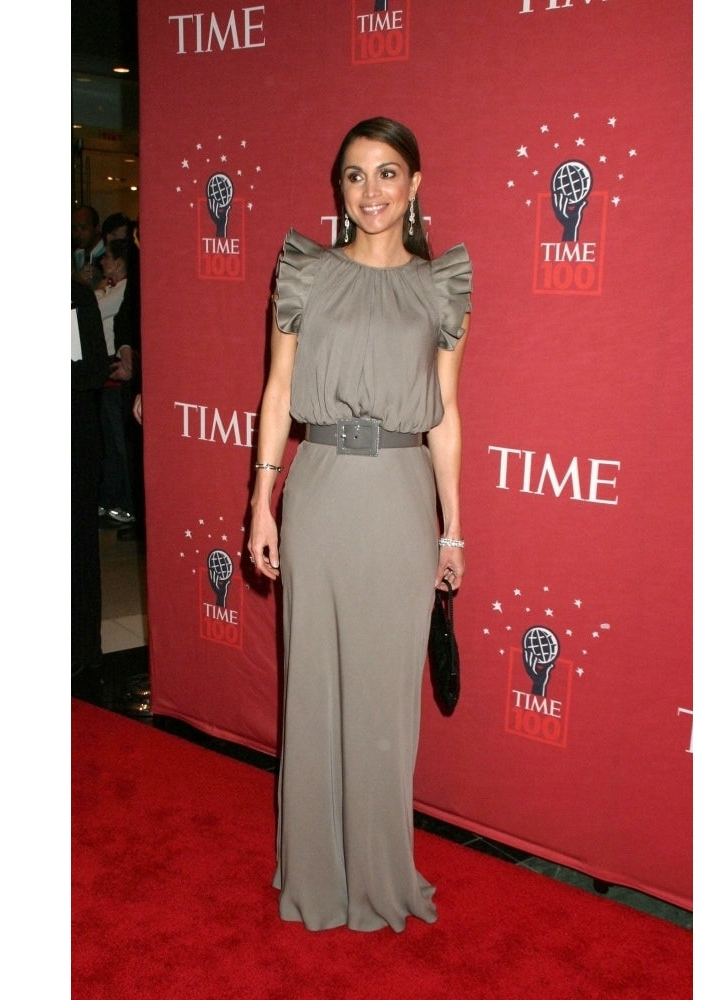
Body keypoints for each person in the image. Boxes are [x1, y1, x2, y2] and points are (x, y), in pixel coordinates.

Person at [246, 117, 472, 933]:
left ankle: (379, 871)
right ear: (337, 188)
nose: (369, 191)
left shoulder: (440, 284)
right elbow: (279, 392)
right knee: (312, 685)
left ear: (415, 185)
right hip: (324, 493)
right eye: (353, 175)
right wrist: (261, 502)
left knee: (383, 701)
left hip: (403, 500)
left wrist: (453, 528)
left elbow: (444, 415)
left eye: (386, 174)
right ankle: (313, 868)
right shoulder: (306, 272)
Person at [72, 273, 111, 676]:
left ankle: (82, 651)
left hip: (73, 442)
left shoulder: (76, 297)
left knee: (78, 545)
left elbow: (93, 368)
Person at [96, 237, 137, 526]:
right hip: (111, 372)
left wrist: (96, 291)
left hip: (120, 375)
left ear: (119, 262)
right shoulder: (114, 288)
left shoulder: (122, 289)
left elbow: (92, 307)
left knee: (120, 444)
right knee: (112, 443)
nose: (101, 262)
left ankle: (127, 504)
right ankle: (115, 501)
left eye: (107, 257)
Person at [72, 204, 105, 290]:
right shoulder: (75, 255)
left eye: (83, 228)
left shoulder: (108, 254)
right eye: (74, 228)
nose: (77, 234)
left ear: (97, 228)